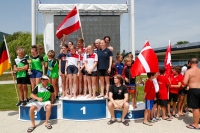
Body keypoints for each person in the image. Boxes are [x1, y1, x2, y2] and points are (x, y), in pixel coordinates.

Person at [183, 58, 200, 129]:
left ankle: (195, 124)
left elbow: (184, 82)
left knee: (195, 107)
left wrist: (187, 85)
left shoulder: (189, 71)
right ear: (197, 63)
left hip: (193, 89)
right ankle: (198, 120)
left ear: (190, 63)